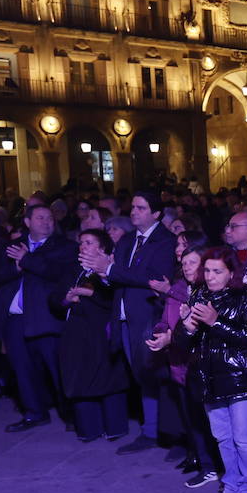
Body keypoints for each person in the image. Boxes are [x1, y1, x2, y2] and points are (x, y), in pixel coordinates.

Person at [80, 191, 179, 454]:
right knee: (141, 375)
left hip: (150, 316)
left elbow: (152, 277)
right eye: (133, 207)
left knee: (159, 376)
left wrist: (111, 269)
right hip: (124, 314)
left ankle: (173, 435)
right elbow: (118, 277)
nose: (134, 212)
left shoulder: (165, 241)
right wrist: (102, 273)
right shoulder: (127, 241)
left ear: (156, 214)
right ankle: (150, 430)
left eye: (141, 208)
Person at [174, 246, 247, 493]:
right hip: (210, 380)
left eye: (218, 271)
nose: (211, 276)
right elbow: (183, 343)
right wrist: (187, 328)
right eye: (208, 270)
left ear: (231, 273)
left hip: (243, 379)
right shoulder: (200, 295)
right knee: (223, 438)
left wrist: (216, 322)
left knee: (245, 439)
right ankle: (232, 486)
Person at [0, 204, 75, 432]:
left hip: (46, 317)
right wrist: (15, 269)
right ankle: (34, 412)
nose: (46, 222)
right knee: (22, 369)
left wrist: (27, 261)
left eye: (49, 218)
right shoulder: (12, 247)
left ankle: (71, 415)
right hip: (15, 318)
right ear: (27, 222)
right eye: (40, 218)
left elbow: (60, 273)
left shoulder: (65, 247)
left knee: (57, 368)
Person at [147, 244, 223, 488]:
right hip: (179, 363)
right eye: (185, 262)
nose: (187, 266)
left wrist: (176, 333)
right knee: (192, 418)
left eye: (194, 262)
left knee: (211, 420)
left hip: (204, 365)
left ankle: (219, 466)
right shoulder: (177, 290)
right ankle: (205, 464)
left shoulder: (212, 291)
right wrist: (161, 335)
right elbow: (163, 321)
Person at [54, 229, 130, 442]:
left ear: (102, 248)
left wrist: (89, 293)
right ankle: (89, 428)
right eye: (81, 242)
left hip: (101, 331)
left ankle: (115, 426)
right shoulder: (72, 270)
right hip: (76, 333)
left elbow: (115, 300)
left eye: (88, 242)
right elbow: (54, 298)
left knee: (109, 379)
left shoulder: (111, 269)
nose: (83, 246)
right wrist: (66, 299)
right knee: (80, 378)